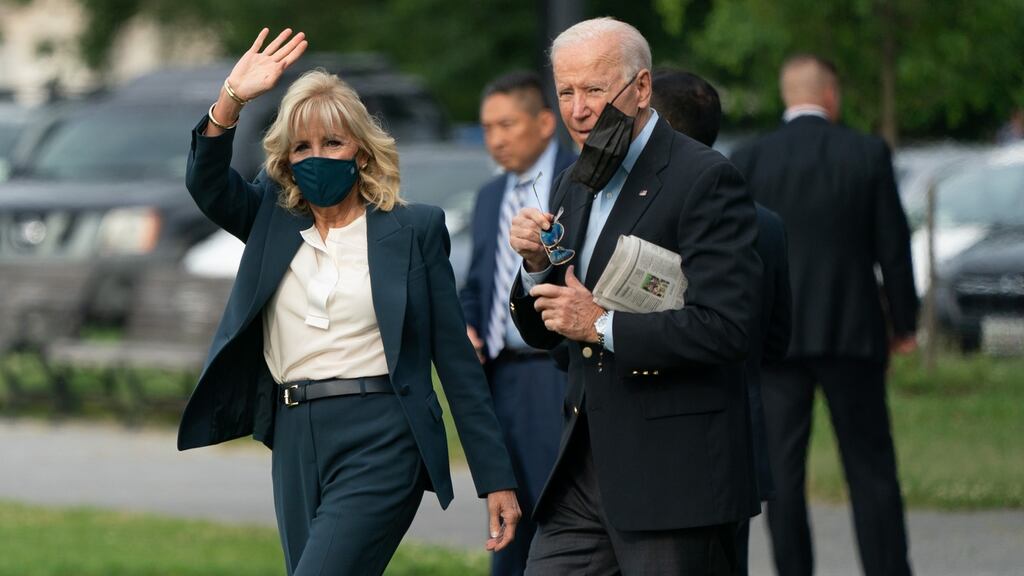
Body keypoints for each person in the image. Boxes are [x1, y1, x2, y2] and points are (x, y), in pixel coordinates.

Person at [175, 28, 521, 575]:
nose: (318, 157)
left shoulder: (413, 230)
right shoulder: (270, 219)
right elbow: (207, 183)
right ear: (286, 159)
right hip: (293, 436)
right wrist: (232, 99)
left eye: (332, 143)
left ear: (360, 148)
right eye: (303, 147)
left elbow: (455, 360)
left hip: (382, 434)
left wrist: (494, 478)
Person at [508, 18, 762, 574]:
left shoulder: (704, 179)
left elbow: (730, 327)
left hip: (672, 476)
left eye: (595, 90)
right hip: (581, 471)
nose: (578, 110)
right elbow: (552, 331)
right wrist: (533, 270)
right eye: (566, 91)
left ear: (642, 88)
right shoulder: (573, 179)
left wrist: (601, 323)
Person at [731, 54, 918, 576]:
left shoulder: (752, 158)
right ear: (830, 95)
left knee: (784, 476)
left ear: (787, 95)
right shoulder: (865, 152)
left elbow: (741, 251)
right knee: (870, 467)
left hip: (776, 340)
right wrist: (904, 323)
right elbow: (893, 246)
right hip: (851, 331)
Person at [652, 68, 793, 575]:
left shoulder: (647, 215)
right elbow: (776, 340)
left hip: (663, 444)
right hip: (739, 433)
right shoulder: (766, 222)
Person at [459, 70, 575, 576]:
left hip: (555, 370)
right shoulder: (489, 198)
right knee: (506, 517)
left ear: (545, 122)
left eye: (507, 124)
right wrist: (465, 325)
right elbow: (477, 284)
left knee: (561, 513)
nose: (497, 138)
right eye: (487, 127)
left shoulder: (579, 182)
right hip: (498, 376)